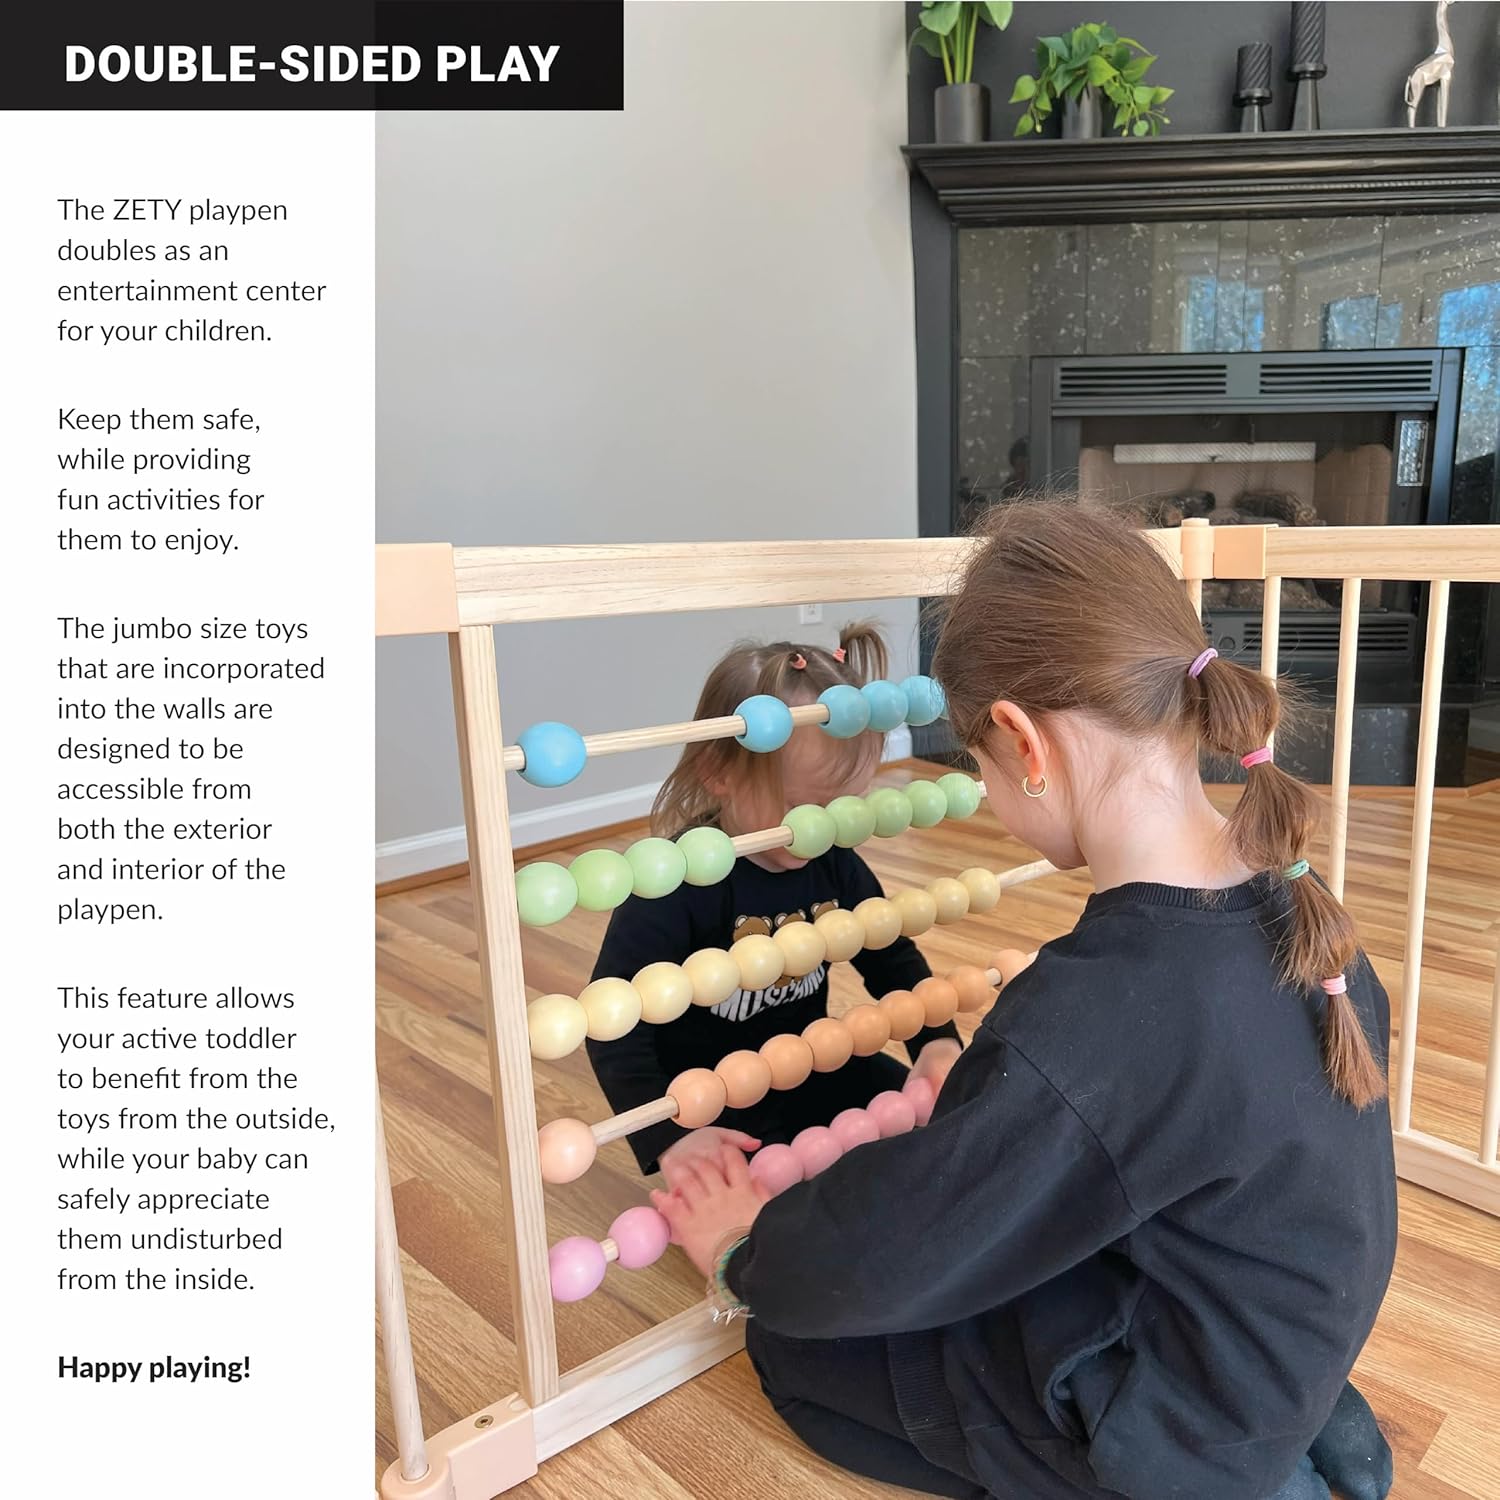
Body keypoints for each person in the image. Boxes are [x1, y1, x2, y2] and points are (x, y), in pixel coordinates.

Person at [654, 503, 1398, 1500]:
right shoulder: (1306, 915)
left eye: (980, 766)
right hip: (1276, 1351)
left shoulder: (1091, 1021)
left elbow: (909, 1242)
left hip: (1174, 1432)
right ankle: (1290, 1434)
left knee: (796, 1348)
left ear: (1022, 742)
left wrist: (747, 1252)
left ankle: (1239, 1478)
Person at [586, 623, 962, 1177]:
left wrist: (936, 1041)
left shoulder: (835, 863)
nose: (825, 830)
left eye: (845, 808)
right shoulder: (672, 885)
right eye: (802, 807)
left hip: (812, 1064)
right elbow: (612, 1024)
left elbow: (892, 958)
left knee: (942, 1116)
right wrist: (670, 1138)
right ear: (719, 772)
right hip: (715, 1105)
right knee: (770, 1200)